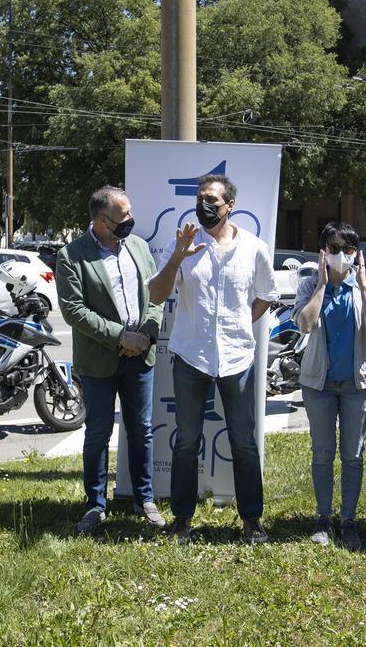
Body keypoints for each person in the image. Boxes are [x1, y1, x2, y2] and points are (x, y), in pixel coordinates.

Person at [149, 174, 279, 544]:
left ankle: (252, 520)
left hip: (237, 357)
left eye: (212, 200)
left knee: (244, 441)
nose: (204, 206)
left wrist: (239, 323)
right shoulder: (185, 245)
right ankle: (182, 520)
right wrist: (177, 256)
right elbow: (157, 296)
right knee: (187, 441)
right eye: (200, 198)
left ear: (229, 206)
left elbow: (266, 295)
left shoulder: (253, 247)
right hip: (191, 356)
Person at [56, 186, 166, 533]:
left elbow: (157, 296)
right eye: (124, 216)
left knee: (141, 431)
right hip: (99, 360)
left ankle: (144, 498)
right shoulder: (72, 255)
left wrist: (145, 335)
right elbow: (74, 311)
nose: (131, 221)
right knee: (98, 433)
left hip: (140, 356)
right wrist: (121, 336)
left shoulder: (138, 246)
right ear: (102, 221)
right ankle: (95, 505)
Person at [294, 222, 366, 551]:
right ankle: (322, 519)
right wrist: (321, 284)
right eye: (333, 249)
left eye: (347, 250)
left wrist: (360, 286)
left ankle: (348, 520)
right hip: (318, 384)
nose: (341, 256)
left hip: (356, 385)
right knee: (322, 453)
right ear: (323, 253)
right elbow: (304, 324)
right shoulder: (308, 285)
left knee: (353, 455)